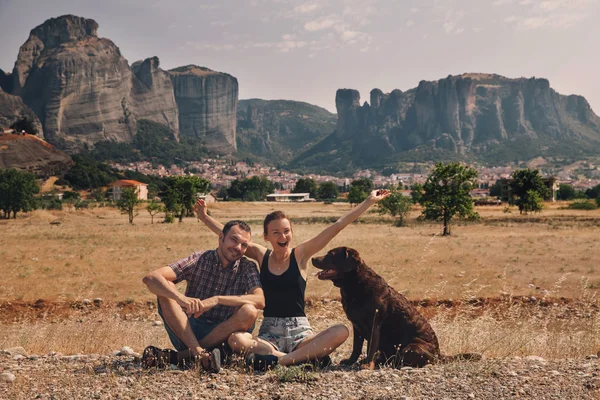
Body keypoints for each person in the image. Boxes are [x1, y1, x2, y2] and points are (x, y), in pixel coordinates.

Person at [195, 189, 390, 370]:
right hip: (269, 335)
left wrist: (369, 201)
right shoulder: (262, 255)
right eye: (276, 232)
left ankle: (279, 361)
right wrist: (204, 217)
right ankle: (303, 358)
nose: (283, 236)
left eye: (287, 231)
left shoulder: (301, 255)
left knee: (341, 331)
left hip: (300, 333)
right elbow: (232, 236)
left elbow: (337, 226)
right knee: (236, 340)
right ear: (266, 237)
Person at [141, 220, 265, 372]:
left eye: (244, 245)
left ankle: (182, 357)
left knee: (250, 310)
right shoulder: (199, 259)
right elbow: (151, 278)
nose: (238, 248)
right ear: (221, 238)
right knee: (166, 290)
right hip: (188, 331)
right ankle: (199, 353)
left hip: (224, 336)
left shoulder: (247, 267)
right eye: (234, 240)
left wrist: (217, 299)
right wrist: (181, 298)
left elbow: (260, 300)